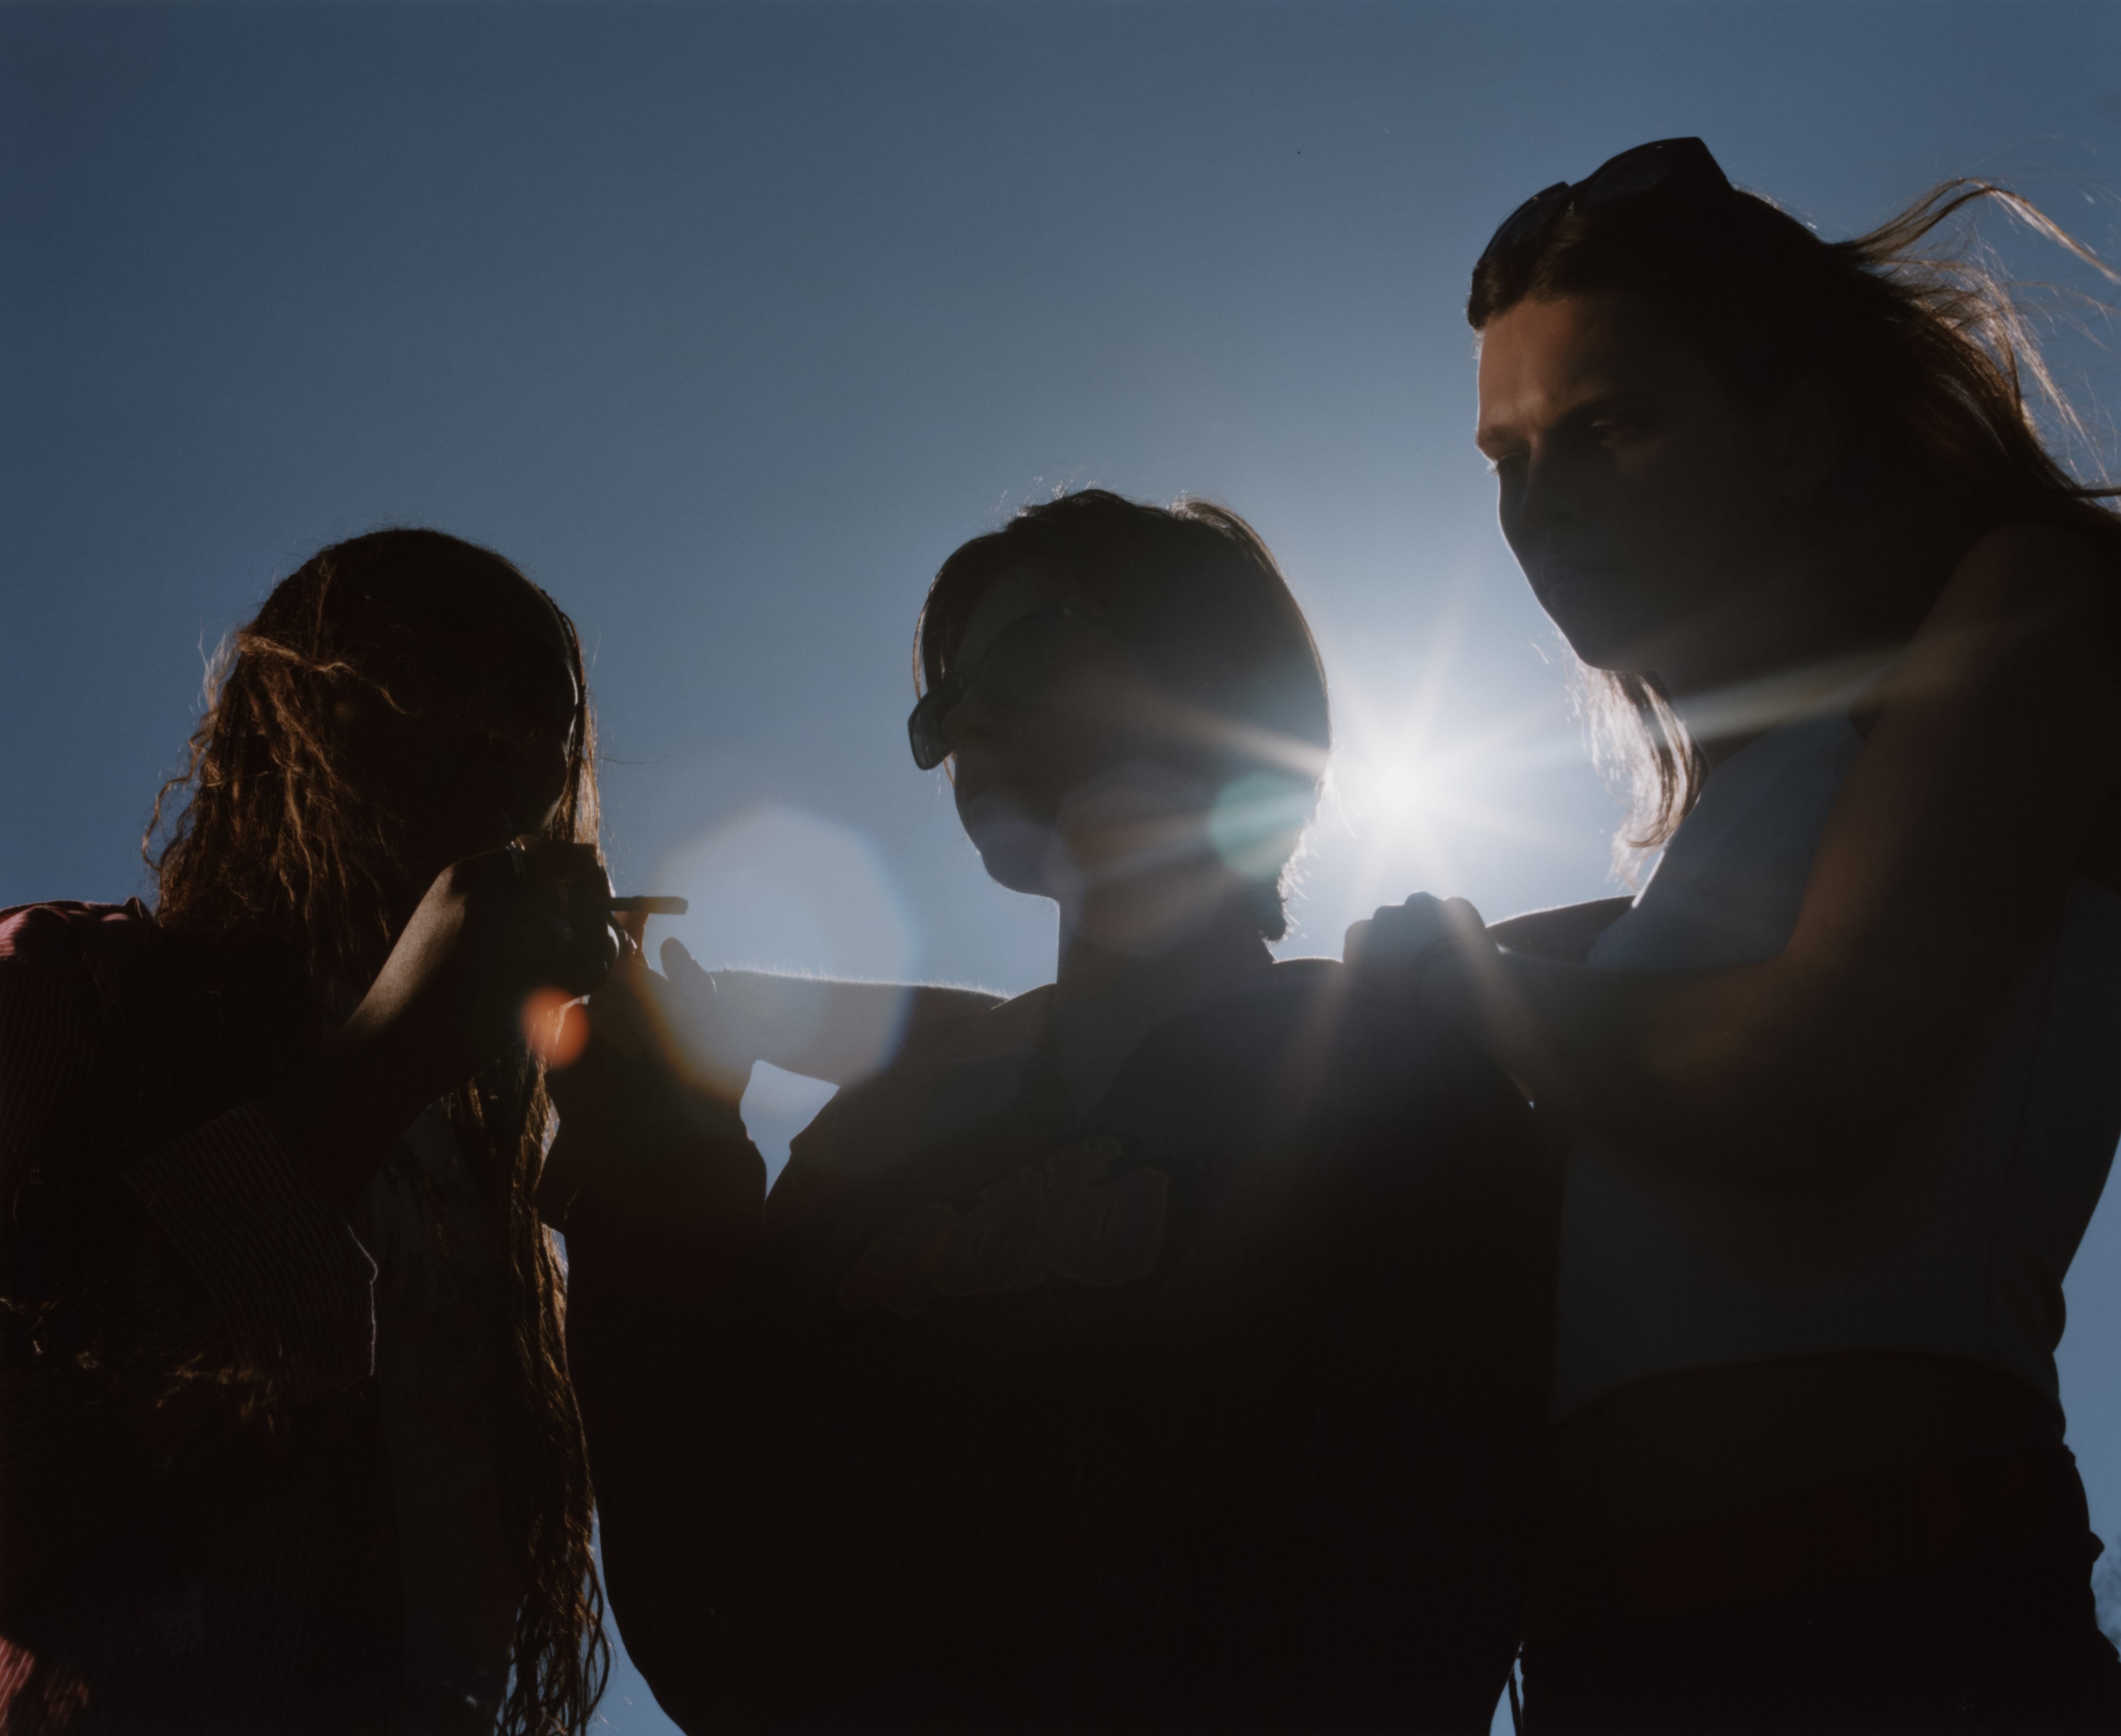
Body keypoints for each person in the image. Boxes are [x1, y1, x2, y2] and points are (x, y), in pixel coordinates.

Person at [551, 488, 1562, 1734]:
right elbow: (715, 1604)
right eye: (939, 703)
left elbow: (1425, 1581)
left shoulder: (1396, 1075)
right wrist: (652, 1180)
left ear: (1220, 680)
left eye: (1024, 651)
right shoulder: (873, 1137)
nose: (963, 717)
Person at [1346, 138, 2121, 1730]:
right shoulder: (1683, 871)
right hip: (1605, 1672)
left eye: (1606, 431)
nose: (1541, 512)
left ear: (1802, 433)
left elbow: (1803, 1073)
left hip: (1913, 1630)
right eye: (1507, 461)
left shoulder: (2035, 611)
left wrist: (1465, 984)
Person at [0, 529, 621, 1734]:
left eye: (536, 709)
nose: (497, 735)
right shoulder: (70, 989)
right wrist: (379, 1067)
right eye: (431, 671)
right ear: (284, 714)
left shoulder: (497, 1176)